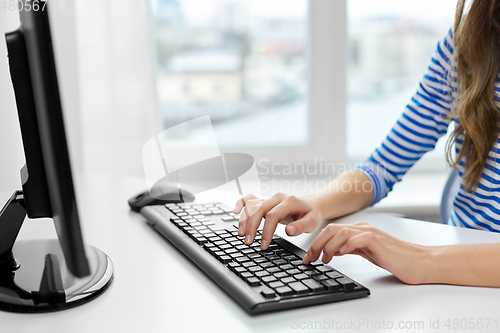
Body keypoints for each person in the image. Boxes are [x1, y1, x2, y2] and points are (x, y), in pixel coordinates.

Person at [233, 0, 500, 288]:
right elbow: (381, 167)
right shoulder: (469, 43)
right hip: (456, 267)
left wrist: (422, 260)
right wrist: (315, 203)